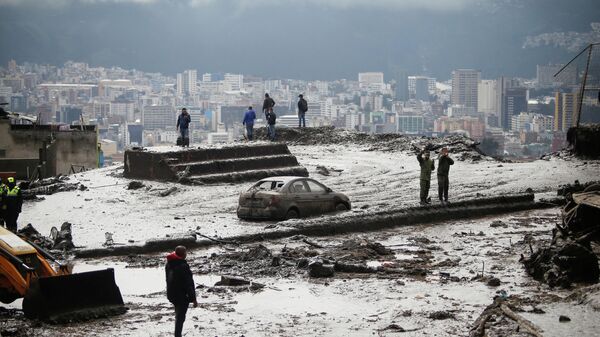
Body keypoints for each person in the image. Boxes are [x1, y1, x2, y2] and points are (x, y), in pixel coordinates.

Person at [165, 246, 197, 337]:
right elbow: (189, 284)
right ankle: (177, 335)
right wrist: (193, 299)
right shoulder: (183, 266)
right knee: (180, 317)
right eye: (185, 252)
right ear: (183, 255)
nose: (186, 253)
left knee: (178, 314)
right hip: (182, 296)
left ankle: (177, 334)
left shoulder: (169, 264)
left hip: (172, 294)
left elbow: (168, 279)